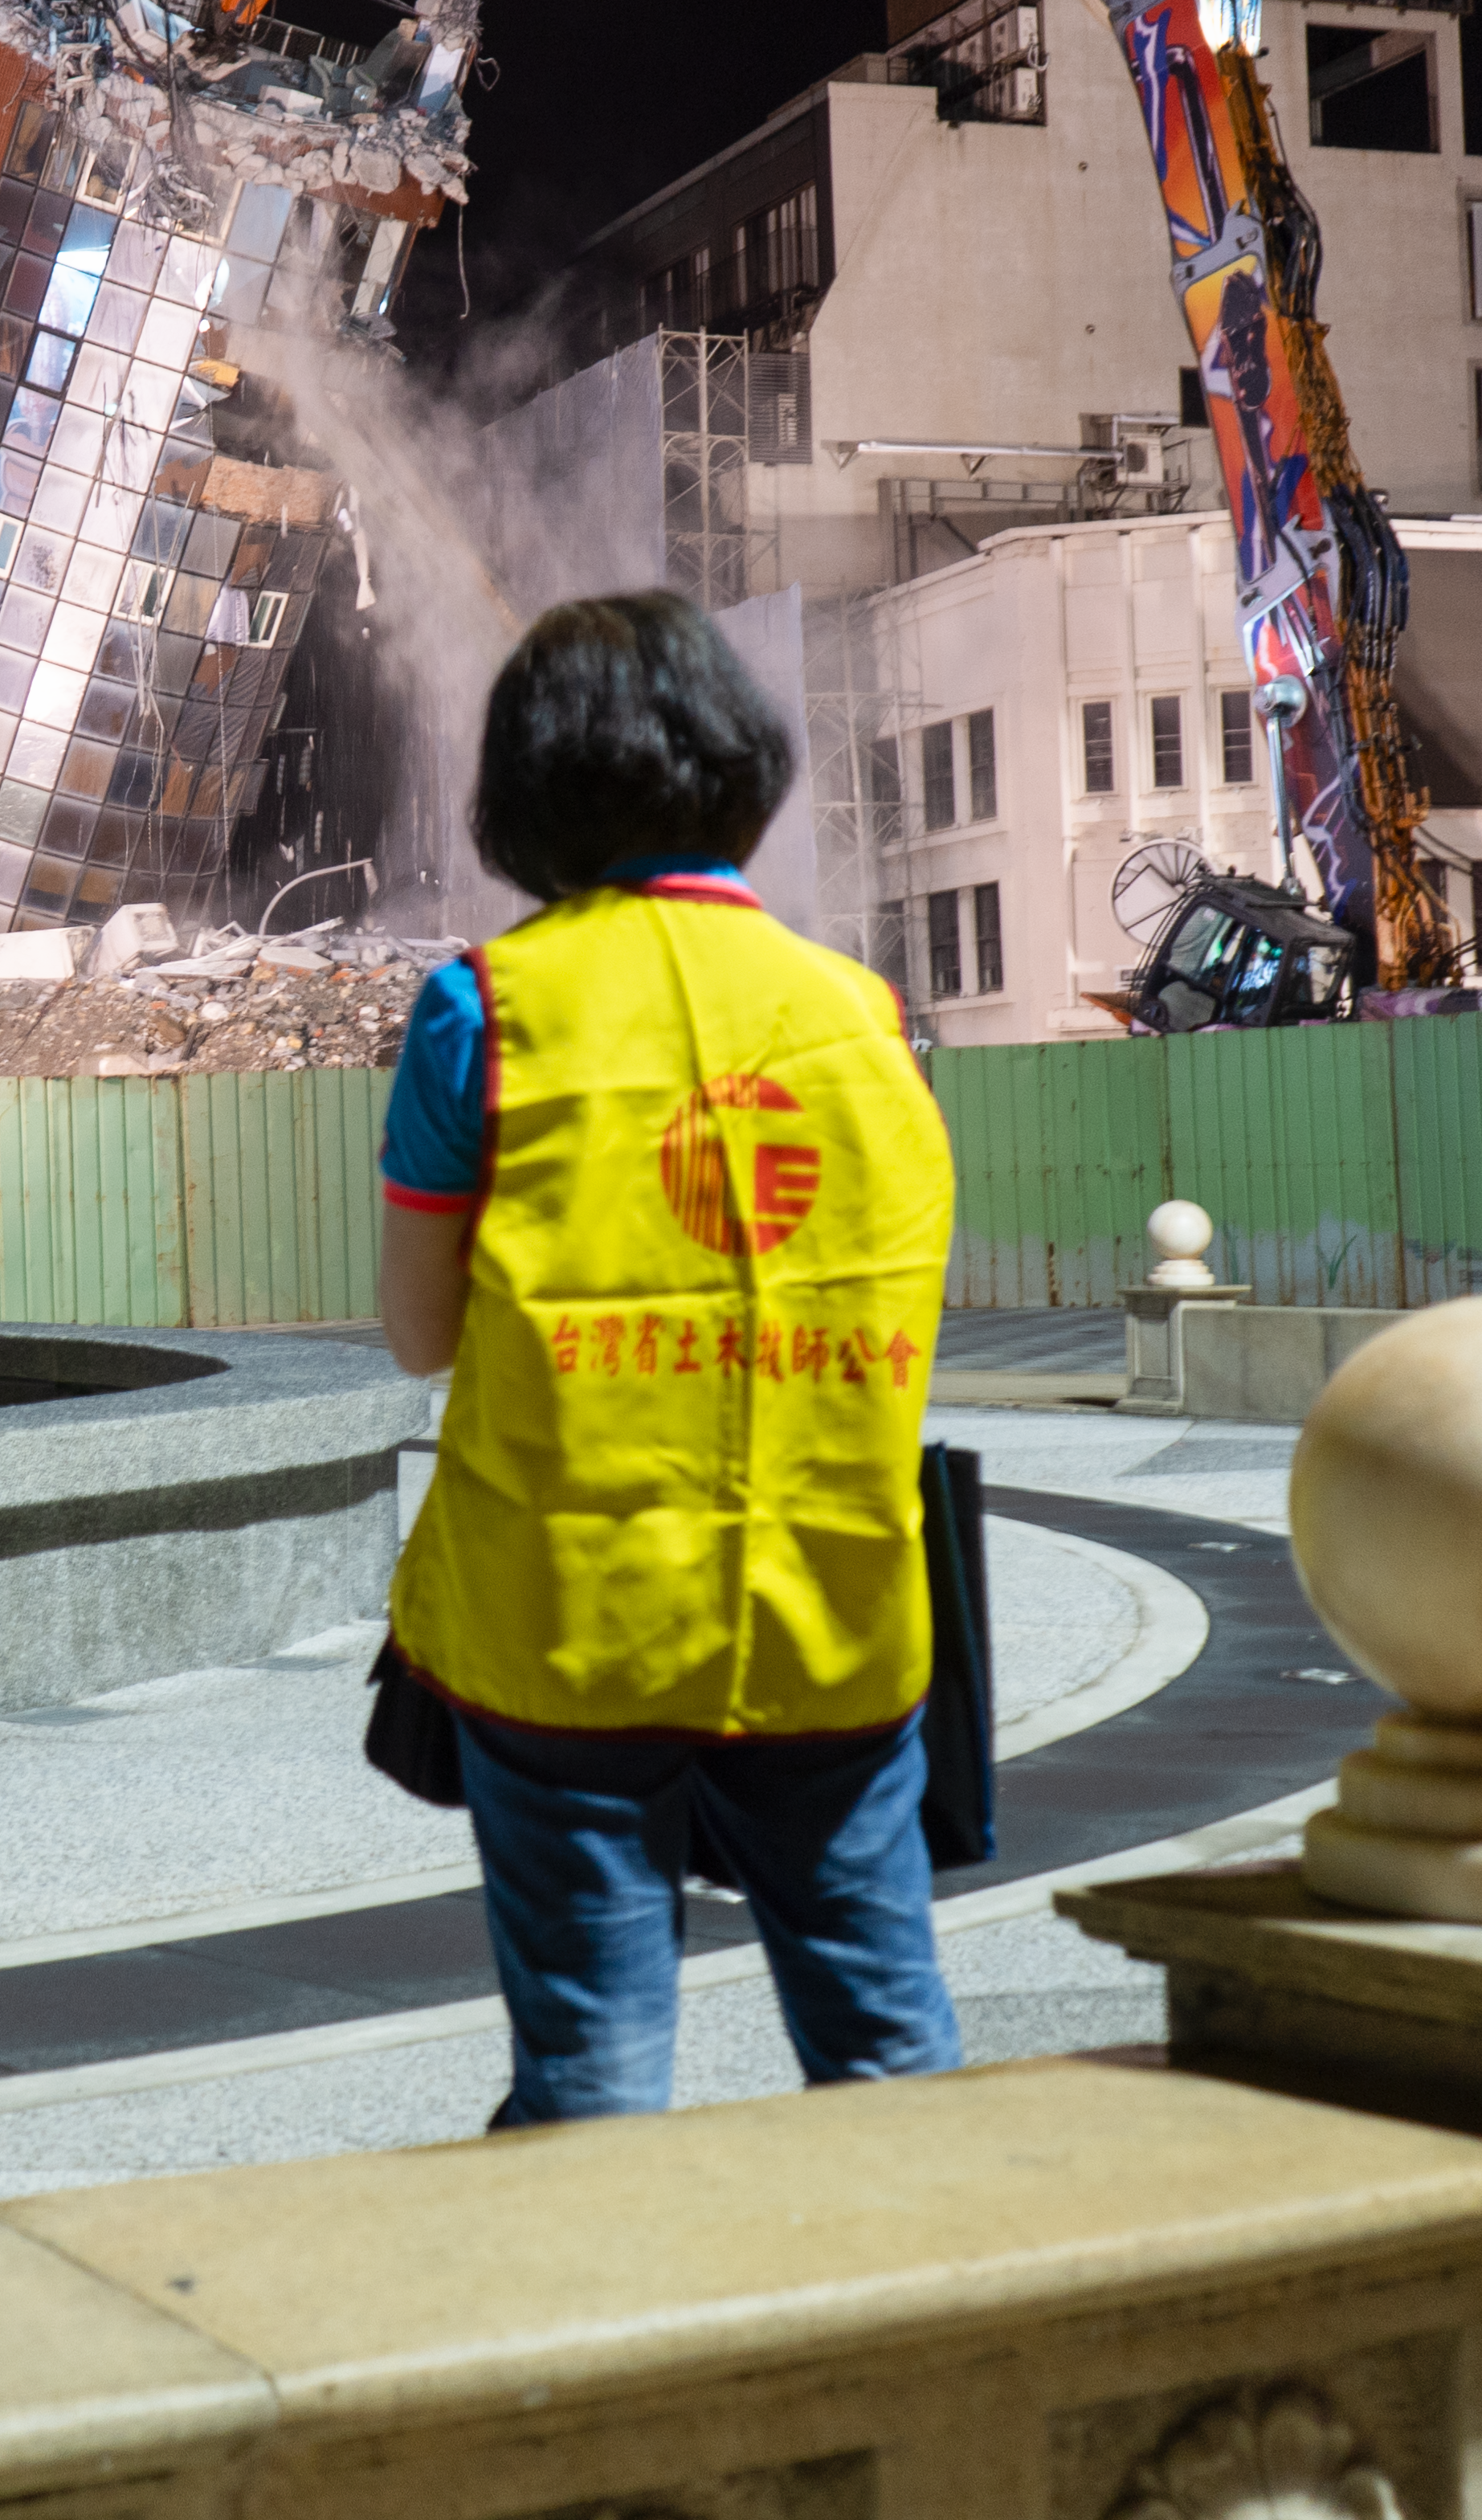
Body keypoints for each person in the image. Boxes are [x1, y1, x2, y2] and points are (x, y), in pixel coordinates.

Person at [374, 590, 963, 2126]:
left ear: (525, 789)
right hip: (834, 1614)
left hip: (560, 1632)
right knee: (888, 2052)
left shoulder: (479, 1015)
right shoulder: (863, 1017)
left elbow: (416, 1338)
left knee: (591, 2077)